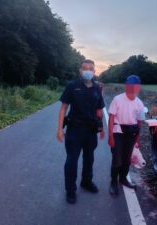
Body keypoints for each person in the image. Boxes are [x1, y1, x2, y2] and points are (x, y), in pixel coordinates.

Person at [57, 59, 105, 204]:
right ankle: (70, 190)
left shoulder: (97, 88)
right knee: (71, 161)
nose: (88, 71)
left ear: (95, 71)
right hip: (74, 130)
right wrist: (59, 129)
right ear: (80, 70)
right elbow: (64, 108)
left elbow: (99, 110)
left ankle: (86, 181)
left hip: (91, 131)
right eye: (85, 68)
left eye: (91, 68)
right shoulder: (72, 86)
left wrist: (101, 128)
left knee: (89, 159)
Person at [108, 75, 145, 195]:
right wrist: (111, 136)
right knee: (117, 160)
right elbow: (111, 118)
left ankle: (123, 179)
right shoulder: (117, 99)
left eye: (136, 86)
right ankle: (113, 182)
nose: (133, 88)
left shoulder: (140, 103)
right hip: (118, 132)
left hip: (131, 134)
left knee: (127, 160)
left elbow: (140, 121)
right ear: (127, 86)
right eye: (131, 85)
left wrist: (138, 139)